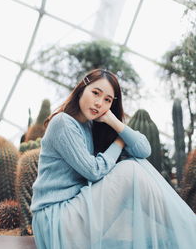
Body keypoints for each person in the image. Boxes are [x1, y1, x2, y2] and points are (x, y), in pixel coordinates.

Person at [31, 68, 196, 249]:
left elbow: (144, 150)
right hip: (56, 219)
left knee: (135, 163)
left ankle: (182, 228)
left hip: (74, 212)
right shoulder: (63, 122)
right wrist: (119, 142)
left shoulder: (91, 126)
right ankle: (183, 227)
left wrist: (114, 122)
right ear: (81, 89)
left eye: (107, 100)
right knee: (129, 169)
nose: (99, 103)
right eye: (95, 93)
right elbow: (93, 171)